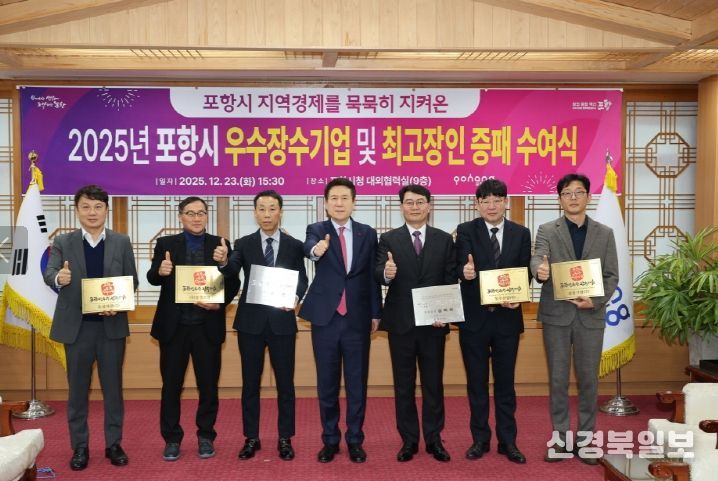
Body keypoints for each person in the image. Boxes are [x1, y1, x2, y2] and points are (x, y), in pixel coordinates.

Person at [44, 184, 138, 471]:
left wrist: (118, 303)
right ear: (77, 210)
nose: (92, 212)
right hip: (78, 328)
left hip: (110, 326)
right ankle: (80, 447)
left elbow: (132, 280)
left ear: (106, 210)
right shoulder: (64, 241)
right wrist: (59, 278)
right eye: (85, 206)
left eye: (98, 207)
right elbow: (50, 273)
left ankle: (114, 444)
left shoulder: (121, 241)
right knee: (77, 391)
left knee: (113, 390)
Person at [530, 173, 618, 465]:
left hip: (590, 314)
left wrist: (595, 301)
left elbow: (611, 275)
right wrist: (539, 270)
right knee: (558, 380)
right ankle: (560, 439)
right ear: (560, 199)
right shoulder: (547, 229)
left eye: (579, 192)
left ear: (588, 197)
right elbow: (538, 258)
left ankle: (585, 440)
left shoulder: (605, 233)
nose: (573, 198)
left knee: (588, 380)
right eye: (567, 193)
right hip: (557, 315)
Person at [146, 196, 239, 462]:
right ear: (181, 216)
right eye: (190, 213)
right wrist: (161, 271)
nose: (196, 218)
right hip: (174, 328)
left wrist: (224, 267)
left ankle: (206, 435)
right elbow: (152, 278)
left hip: (206, 327)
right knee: (171, 386)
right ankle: (172, 439)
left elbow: (233, 282)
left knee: (208, 386)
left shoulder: (220, 244)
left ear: (207, 216)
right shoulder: (165, 244)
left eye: (201, 213)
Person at [220, 190, 308, 461]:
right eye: (262, 209)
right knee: (250, 383)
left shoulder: (294, 245)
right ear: (255, 213)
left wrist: (295, 298)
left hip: (282, 322)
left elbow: (302, 279)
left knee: (285, 384)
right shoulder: (243, 243)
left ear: (280, 211)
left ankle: (285, 438)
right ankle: (251, 437)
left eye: (272, 209)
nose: (267, 214)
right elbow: (232, 269)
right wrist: (223, 261)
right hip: (251, 324)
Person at [300, 177, 382, 464]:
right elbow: (309, 248)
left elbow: (372, 276)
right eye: (333, 198)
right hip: (326, 319)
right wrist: (316, 250)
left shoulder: (367, 233)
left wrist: (376, 312)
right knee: (327, 383)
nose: (339, 203)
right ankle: (330, 440)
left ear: (353, 202)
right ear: (325, 203)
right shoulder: (317, 229)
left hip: (358, 319)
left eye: (344, 198)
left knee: (357, 383)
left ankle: (355, 439)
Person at [375, 184, 456, 463]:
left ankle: (434, 439)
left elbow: (450, 278)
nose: (414, 207)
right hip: (401, 324)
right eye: (409, 202)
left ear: (429, 206)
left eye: (420, 202)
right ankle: (409, 440)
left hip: (434, 324)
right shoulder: (388, 239)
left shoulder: (444, 239)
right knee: (404, 385)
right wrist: (386, 273)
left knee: (434, 384)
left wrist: (446, 313)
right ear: (401, 207)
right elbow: (377, 272)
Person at [456, 179, 531, 464]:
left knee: (505, 384)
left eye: (497, 200)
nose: (491, 205)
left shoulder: (520, 233)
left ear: (505, 203)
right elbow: (458, 267)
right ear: (477, 204)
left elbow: (525, 271)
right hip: (474, 320)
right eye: (485, 200)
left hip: (507, 319)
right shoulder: (466, 230)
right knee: (476, 384)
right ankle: (480, 440)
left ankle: (508, 441)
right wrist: (465, 272)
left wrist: (519, 296)